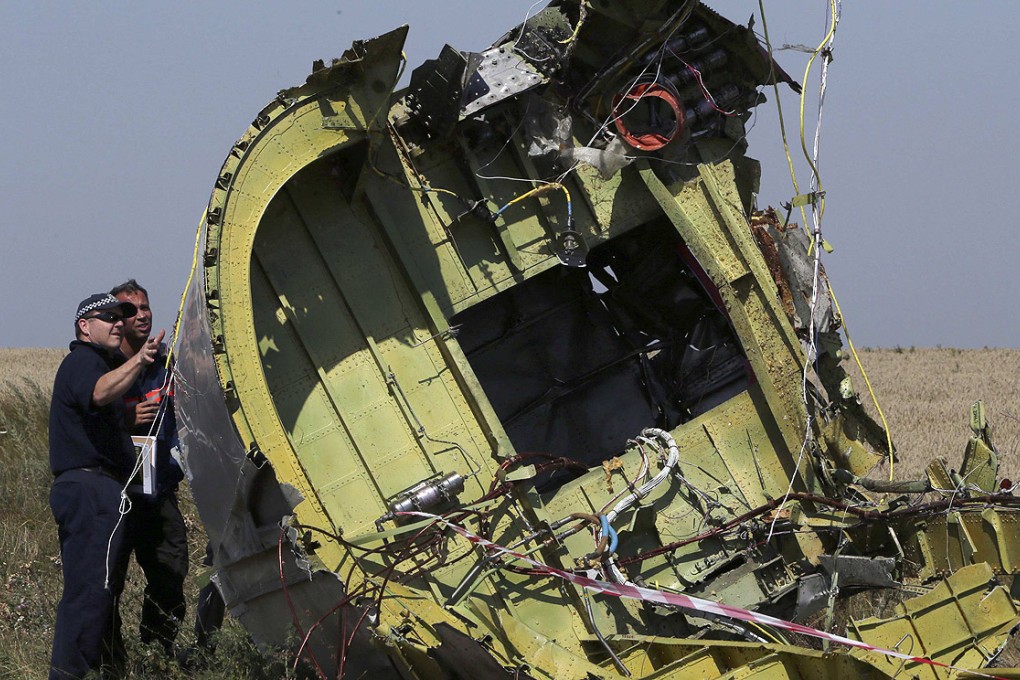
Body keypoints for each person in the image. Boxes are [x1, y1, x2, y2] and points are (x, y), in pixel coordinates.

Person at [49, 293, 162, 679]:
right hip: (90, 488)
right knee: (89, 594)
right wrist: (140, 360)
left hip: (99, 490)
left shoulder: (98, 363)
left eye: (121, 316)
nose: (118, 322)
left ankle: (104, 670)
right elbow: (98, 392)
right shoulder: (83, 361)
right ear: (84, 326)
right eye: (108, 317)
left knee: (98, 592)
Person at [110, 279, 188, 657]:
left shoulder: (166, 365)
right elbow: (85, 417)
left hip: (158, 491)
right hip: (117, 492)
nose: (141, 315)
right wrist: (125, 419)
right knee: (108, 579)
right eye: (131, 310)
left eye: (145, 307)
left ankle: (157, 653)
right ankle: (109, 660)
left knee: (172, 571)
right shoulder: (105, 367)